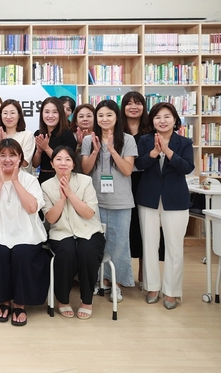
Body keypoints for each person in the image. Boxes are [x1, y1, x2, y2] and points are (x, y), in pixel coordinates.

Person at [0, 138, 49, 327]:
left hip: (28, 233)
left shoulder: (31, 180)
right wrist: (0, 183)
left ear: (20, 158)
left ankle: (20, 304)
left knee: (21, 254)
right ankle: (4, 302)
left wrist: (16, 181)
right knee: (0, 253)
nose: (7, 159)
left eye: (12, 155)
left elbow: (32, 207)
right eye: (3, 155)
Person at [135, 102, 194, 310]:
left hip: (176, 200)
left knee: (174, 247)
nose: (162, 120)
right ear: (152, 121)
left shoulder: (184, 142)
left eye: (167, 116)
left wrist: (167, 151)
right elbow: (139, 165)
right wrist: (153, 153)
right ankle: (152, 287)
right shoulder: (144, 140)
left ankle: (171, 291)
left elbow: (187, 167)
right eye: (158, 117)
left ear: (175, 120)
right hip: (148, 198)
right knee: (149, 245)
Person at [81, 100, 137, 302]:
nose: (104, 119)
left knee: (120, 244)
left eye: (109, 115)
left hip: (121, 201)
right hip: (94, 200)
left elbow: (128, 170)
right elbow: (86, 169)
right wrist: (96, 150)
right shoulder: (89, 140)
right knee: (97, 243)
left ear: (116, 117)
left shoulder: (128, 140)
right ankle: (99, 280)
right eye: (101, 115)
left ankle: (116, 283)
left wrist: (112, 150)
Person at [42, 146, 105, 320]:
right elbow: (52, 219)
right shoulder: (46, 186)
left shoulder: (85, 181)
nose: (63, 163)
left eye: (68, 159)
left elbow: (88, 213)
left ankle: (87, 300)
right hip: (62, 232)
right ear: (52, 163)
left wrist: (70, 194)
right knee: (67, 253)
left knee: (87, 252)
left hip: (89, 231)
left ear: (73, 164)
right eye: (59, 159)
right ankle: (62, 299)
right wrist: (62, 199)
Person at [121, 91, 161, 288]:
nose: (133, 107)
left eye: (137, 103)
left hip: (146, 182)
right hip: (123, 181)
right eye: (129, 103)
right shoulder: (118, 129)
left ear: (144, 107)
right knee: (126, 229)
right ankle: (123, 273)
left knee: (146, 228)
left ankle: (144, 275)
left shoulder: (150, 131)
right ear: (123, 107)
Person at [32, 97, 77, 184]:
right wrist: (39, 152)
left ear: (60, 114)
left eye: (55, 112)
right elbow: (35, 164)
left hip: (61, 179)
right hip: (42, 178)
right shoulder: (38, 133)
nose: (50, 116)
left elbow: (65, 161)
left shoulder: (67, 134)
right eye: (47, 112)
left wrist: (46, 148)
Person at [0, 99, 35, 171]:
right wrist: (0, 144)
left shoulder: (27, 135)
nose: (8, 117)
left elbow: (25, 163)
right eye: (5, 113)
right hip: (2, 179)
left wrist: (6, 144)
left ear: (19, 115)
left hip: (22, 179)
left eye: (12, 113)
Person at [70, 103, 96, 172]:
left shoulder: (99, 136)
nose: (85, 119)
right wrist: (79, 145)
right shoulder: (70, 136)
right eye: (81, 116)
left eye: (89, 116)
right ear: (76, 121)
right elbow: (67, 157)